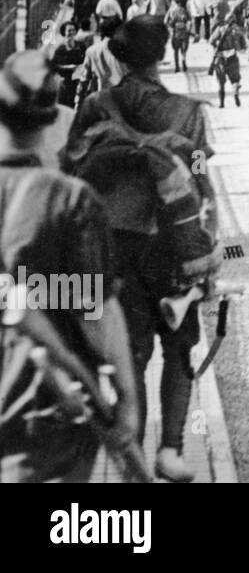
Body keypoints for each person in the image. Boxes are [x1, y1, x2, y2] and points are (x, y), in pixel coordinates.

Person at [65, 15, 216, 483]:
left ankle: (132, 453)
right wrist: (214, 256)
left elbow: (70, 171)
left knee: (131, 354)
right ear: (164, 54)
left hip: (111, 246)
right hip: (170, 245)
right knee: (178, 348)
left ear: (118, 55)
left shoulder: (95, 106)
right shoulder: (189, 112)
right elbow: (199, 177)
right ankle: (171, 451)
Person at [0, 51, 141, 483]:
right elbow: (92, 310)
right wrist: (127, 397)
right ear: (51, 117)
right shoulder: (70, 199)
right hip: (42, 410)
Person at [208, 11, 247, 109]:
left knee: (221, 83)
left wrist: (217, 46)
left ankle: (221, 104)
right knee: (235, 79)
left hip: (220, 58)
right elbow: (243, 47)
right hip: (233, 57)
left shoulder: (220, 29)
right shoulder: (238, 31)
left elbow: (211, 41)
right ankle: (235, 92)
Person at [50, 20, 86, 108]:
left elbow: (87, 60)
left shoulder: (81, 46)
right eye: (69, 30)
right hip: (66, 83)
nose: (71, 33)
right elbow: (53, 66)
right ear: (64, 32)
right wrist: (68, 67)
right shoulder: (60, 49)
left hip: (80, 81)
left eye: (73, 30)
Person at [164, 0, 191, 73]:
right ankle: (184, 62)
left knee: (176, 50)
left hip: (175, 33)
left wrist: (170, 28)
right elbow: (189, 21)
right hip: (184, 33)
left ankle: (177, 66)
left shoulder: (171, 10)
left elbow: (165, 21)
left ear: (175, 3)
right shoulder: (185, 10)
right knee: (183, 50)